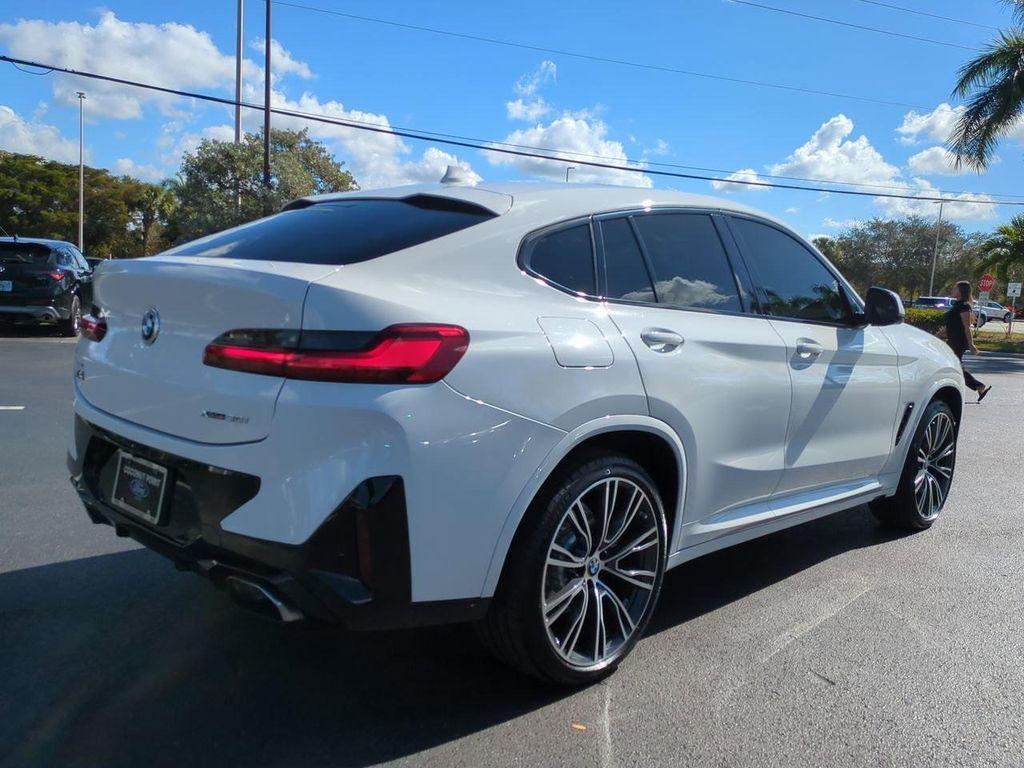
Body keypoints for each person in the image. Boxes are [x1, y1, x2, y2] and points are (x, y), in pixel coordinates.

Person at [944, 280, 992, 402]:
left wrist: (971, 344)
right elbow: (950, 325)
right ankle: (977, 385)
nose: (953, 290)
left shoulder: (964, 306)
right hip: (952, 340)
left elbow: (967, 326)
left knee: (954, 365)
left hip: (959, 341)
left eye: (955, 288)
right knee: (955, 365)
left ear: (961, 291)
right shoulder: (957, 305)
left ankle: (976, 385)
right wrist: (936, 335)